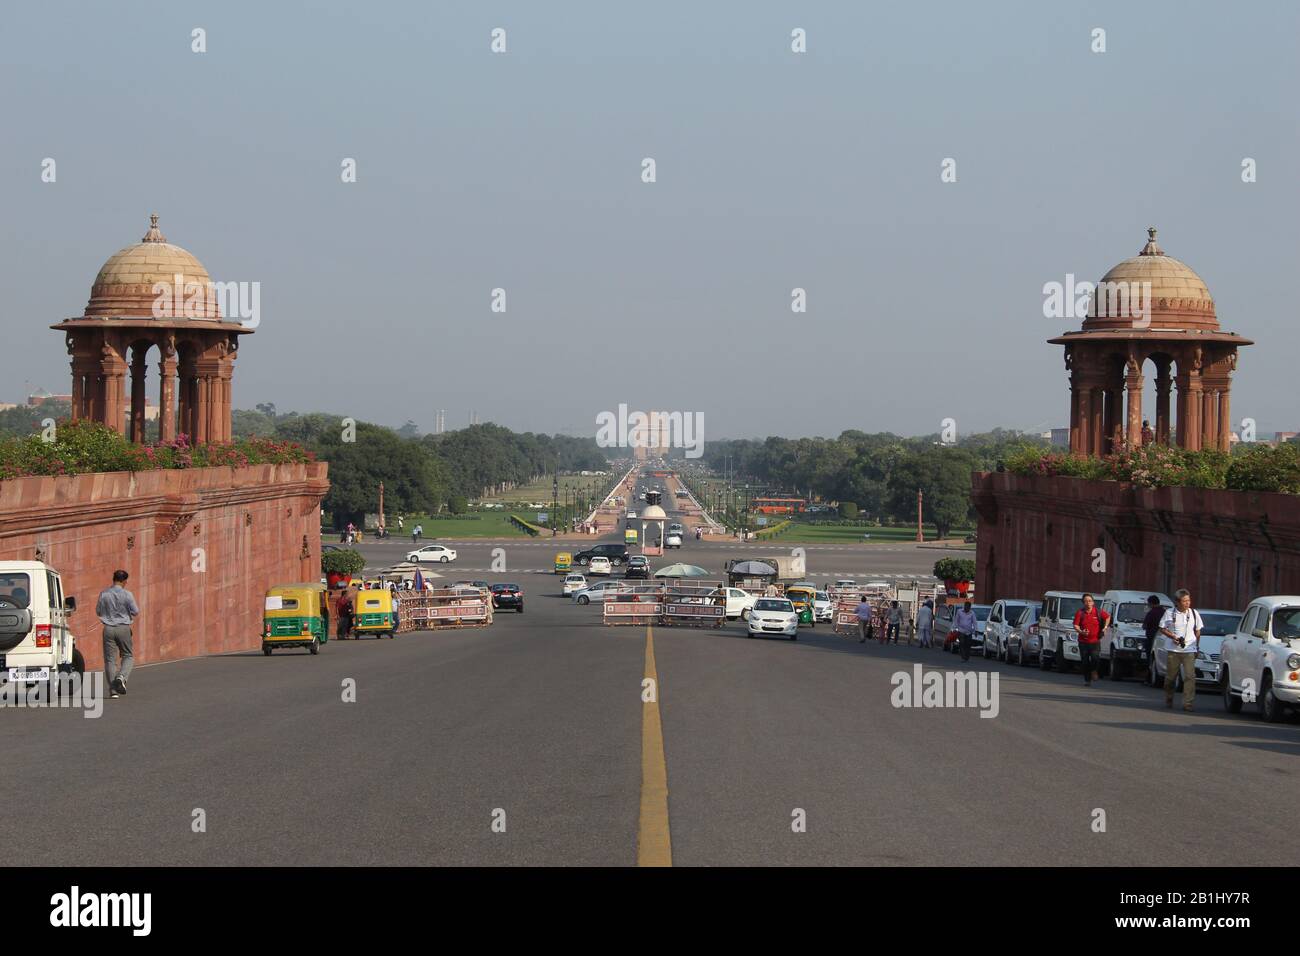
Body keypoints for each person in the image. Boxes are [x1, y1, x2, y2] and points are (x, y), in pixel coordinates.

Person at [96, 569, 139, 699]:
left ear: (113, 579)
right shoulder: (127, 594)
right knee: (128, 655)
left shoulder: (104, 594)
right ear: (124, 581)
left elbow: (98, 611)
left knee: (110, 660)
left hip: (108, 628)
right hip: (123, 628)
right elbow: (135, 611)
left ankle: (113, 690)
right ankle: (121, 677)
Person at [1159, 589, 1203, 712]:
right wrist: (1173, 636)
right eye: (1184, 601)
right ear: (1177, 602)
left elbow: (1198, 631)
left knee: (1190, 677)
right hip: (1174, 650)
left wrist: (1197, 647)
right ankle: (1169, 697)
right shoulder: (1169, 613)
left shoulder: (1194, 613)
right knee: (1170, 678)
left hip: (1189, 649)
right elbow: (1162, 628)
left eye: (1188, 600)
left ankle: (1188, 703)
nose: (1187, 603)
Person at [1072, 592, 1109, 686]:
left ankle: (1094, 671)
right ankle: (1087, 680)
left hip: (1095, 641)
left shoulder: (1098, 612)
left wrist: (1105, 628)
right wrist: (1081, 632)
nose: (1088, 603)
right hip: (1083, 642)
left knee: (1095, 658)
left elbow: (1108, 617)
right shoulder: (1080, 613)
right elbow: (1075, 625)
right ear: (1083, 603)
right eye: (1085, 601)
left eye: (1089, 601)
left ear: (1093, 602)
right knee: (1084, 662)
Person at [1141, 594, 1164, 676]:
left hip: (1151, 639)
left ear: (1151, 603)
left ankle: (1149, 677)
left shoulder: (1151, 613)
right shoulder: (1164, 612)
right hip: (1163, 640)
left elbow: (1144, 626)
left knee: (1150, 660)